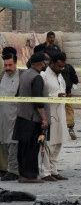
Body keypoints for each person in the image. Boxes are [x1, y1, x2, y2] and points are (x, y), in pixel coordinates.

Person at [13, 52, 48, 183]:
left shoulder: (24, 74)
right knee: (32, 149)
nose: (45, 64)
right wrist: (44, 119)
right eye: (44, 62)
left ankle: (23, 174)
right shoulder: (36, 78)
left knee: (23, 148)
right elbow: (38, 102)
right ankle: (30, 176)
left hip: (22, 116)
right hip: (32, 119)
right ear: (39, 63)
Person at [40, 52, 68, 182]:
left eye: (63, 66)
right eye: (59, 66)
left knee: (59, 142)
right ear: (52, 63)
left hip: (61, 113)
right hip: (49, 114)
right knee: (48, 144)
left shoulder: (60, 76)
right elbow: (41, 97)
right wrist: (56, 97)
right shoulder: (44, 76)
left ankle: (53, 170)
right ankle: (45, 172)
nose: (61, 68)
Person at [0, 48, 21, 181]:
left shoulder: (21, 76)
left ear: (16, 63)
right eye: (5, 65)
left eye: (10, 65)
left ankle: (14, 170)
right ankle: (7, 168)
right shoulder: (2, 76)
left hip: (14, 116)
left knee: (13, 142)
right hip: (3, 116)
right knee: (4, 142)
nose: (7, 68)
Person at [61, 59, 79, 140]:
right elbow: (75, 80)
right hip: (67, 93)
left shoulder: (53, 68)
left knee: (60, 111)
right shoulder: (69, 67)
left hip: (58, 94)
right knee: (69, 110)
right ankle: (70, 128)